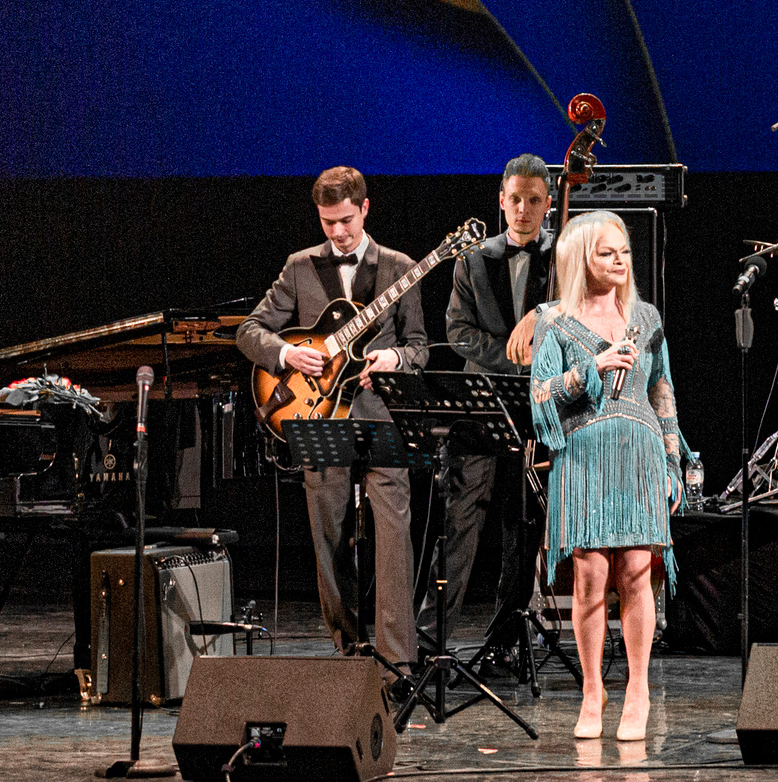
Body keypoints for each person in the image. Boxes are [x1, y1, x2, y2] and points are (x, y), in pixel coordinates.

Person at [236, 167, 427, 669]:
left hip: (381, 417)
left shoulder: (400, 267)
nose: (338, 232)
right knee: (329, 538)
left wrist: (396, 360)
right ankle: (349, 648)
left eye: (345, 220)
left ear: (365, 209)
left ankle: (397, 662)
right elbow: (249, 330)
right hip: (317, 413)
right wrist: (285, 355)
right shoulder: (300, 267)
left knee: (393, 541)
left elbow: (419, 348)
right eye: (327, 223)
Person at [530, 211, 681, 743]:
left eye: (624, 252)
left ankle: (637, 687)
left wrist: (671, 460)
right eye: (606, 253)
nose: (619, 262)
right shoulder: (553, 320)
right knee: (591, 575)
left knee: (638, 571)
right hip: (583, 458)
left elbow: (662, 391)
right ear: (579, 259)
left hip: (639, 454)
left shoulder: (645, 315)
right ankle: (594, 690)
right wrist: (589, 369)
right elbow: (540, 398)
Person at [425, 154, 557, 657]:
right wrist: (510, 357)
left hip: (540, 403)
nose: (523, 209)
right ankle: (431, 641)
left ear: (548, 205)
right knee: (460, 519)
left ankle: (506, 639)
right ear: (501, 201)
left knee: (523, 525)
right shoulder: (472, 259)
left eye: (534, 201)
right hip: (482, 403)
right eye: (515, 200)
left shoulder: (563, 258)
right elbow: (457, 333)